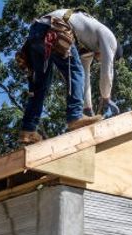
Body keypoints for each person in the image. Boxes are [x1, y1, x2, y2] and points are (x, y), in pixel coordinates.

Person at [17, 10, 103, 144]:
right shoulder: (101, 34)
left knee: (40, 85)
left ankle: (28, 130)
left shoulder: (82, 21)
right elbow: (82, 69)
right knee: (75, 70)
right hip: (54, 30)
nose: (98, 58)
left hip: (35, 33)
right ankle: (75, 116)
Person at [43, 9, 120, 117]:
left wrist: (88, 109)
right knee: (75, 74)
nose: (99, 61)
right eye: (102, 59)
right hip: (57, 24)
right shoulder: (110, 38)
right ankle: (74, 117)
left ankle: (29, 128)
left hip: (41, 27)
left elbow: (84, 79)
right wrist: (106, 97)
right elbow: (107, 72)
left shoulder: (88, 47)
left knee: (43, 81)